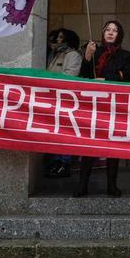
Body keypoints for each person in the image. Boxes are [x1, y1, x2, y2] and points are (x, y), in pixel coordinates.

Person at [75, 21, 130, 197]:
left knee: (112, 146)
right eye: (107, 29)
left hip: (113, 106)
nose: (110, 33)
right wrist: (87, 57)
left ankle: (112, 185)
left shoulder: (125, 55)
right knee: (89, 145)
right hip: (93, 105)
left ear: (119, 35)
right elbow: (83, 76)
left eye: (115, 30)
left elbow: (126, 76)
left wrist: (105, 80)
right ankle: (82, 185)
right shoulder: (94, 50)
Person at [44, 28, 82, 178]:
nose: (57, 40)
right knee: (54, 132)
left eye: (61, 37)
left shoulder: (72, 55)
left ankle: (64, 163)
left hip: (65, 99)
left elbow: (70, 75)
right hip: (53, 98)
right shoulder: (55, 54)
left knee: (64, 132)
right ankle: (56, 162)